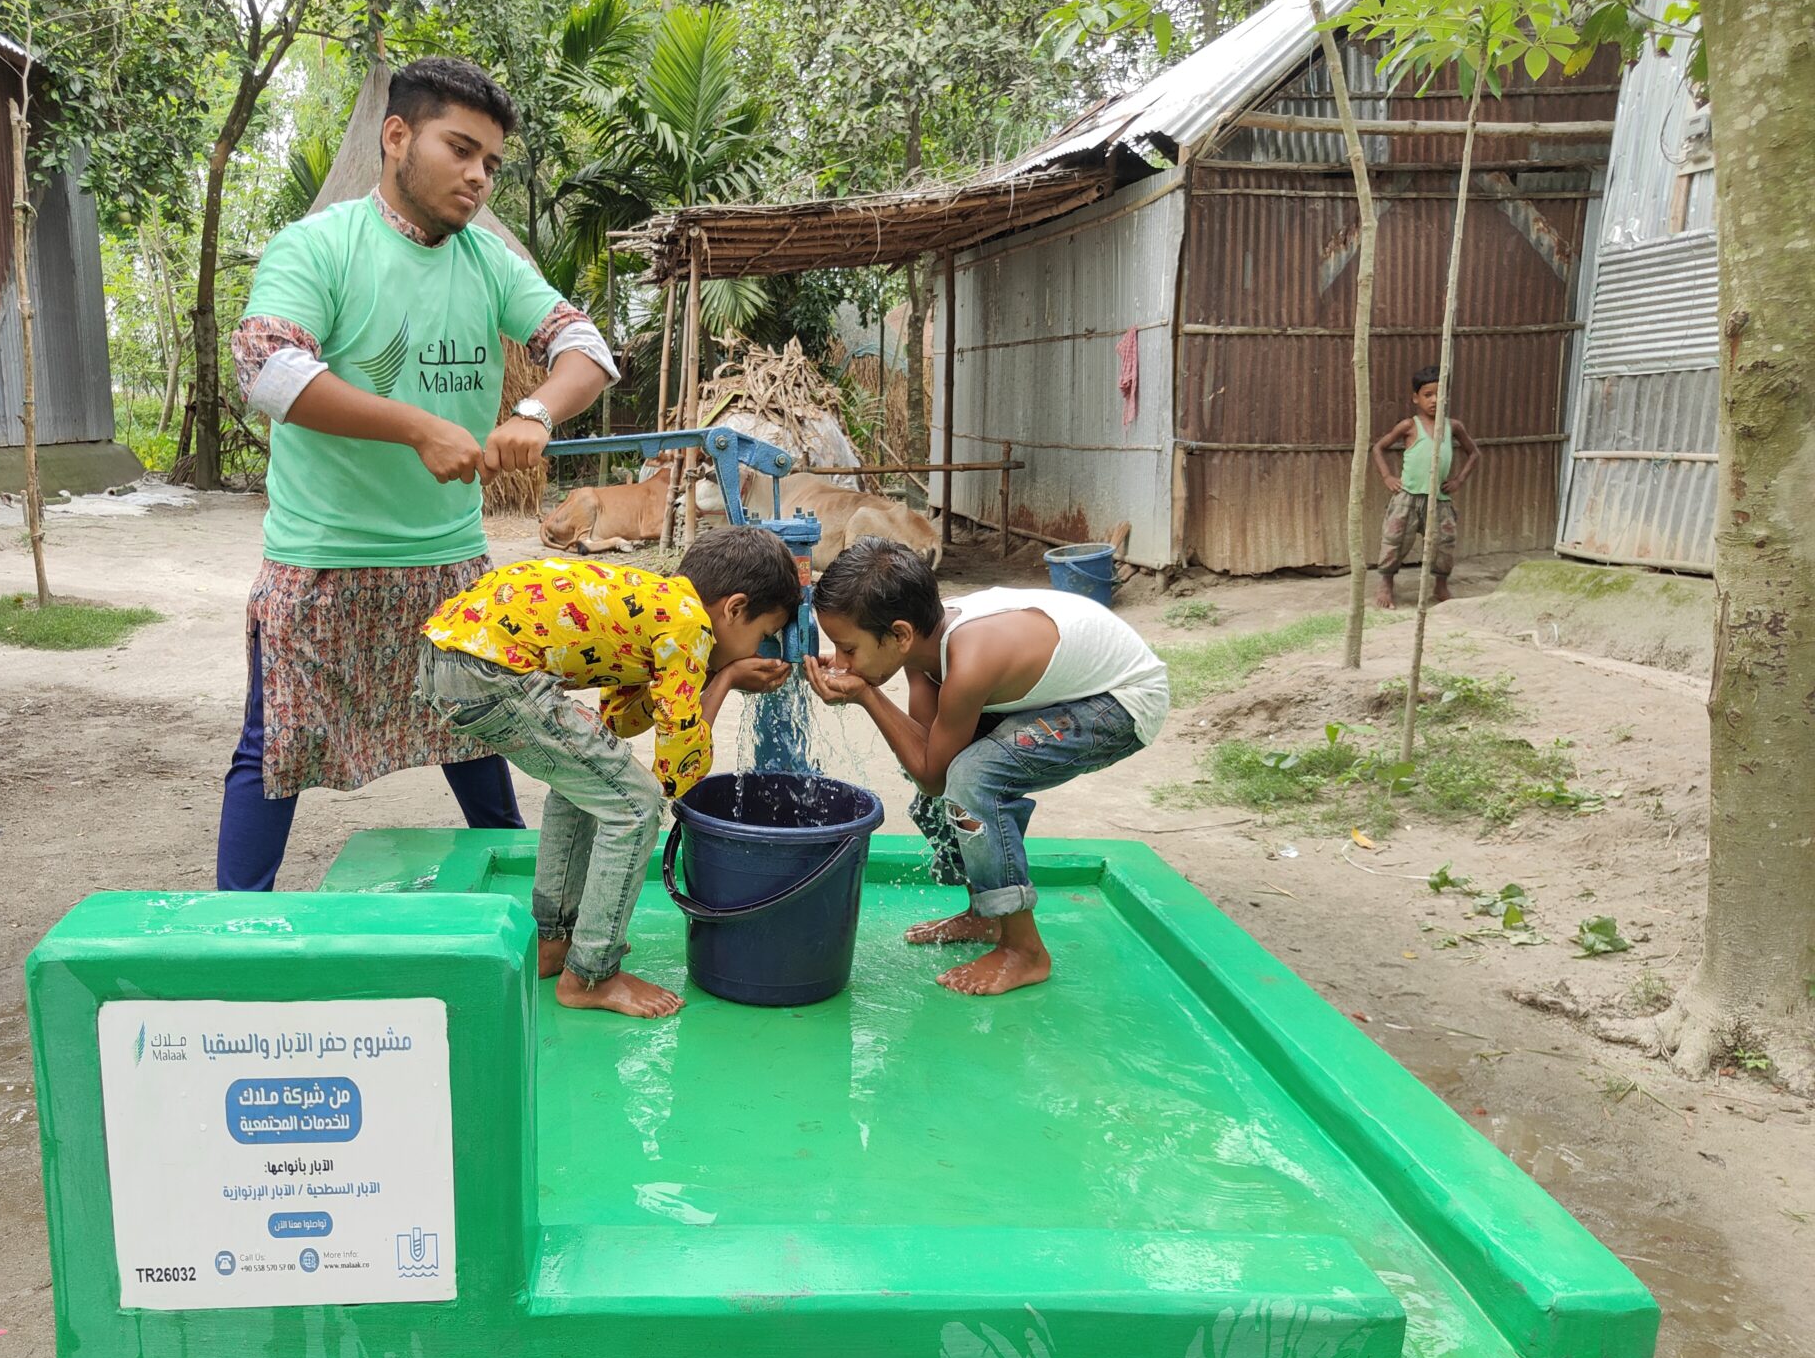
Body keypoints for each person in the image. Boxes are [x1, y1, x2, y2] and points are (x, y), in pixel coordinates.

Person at [219, 57, 621, 890]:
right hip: (321, 562)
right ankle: (234, 927)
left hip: (449, 563)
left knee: (483, 730)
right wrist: (416, 428)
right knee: (274, 746)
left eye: (491, 164)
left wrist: (535, 413)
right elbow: (266, 367)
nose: (477, 177)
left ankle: (522, 909)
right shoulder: (321, 246)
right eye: (461, 149)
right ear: (397, 136)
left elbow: (586, 348)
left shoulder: (486, 260)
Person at [419, 529, 801, 1018]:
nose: (761, 648)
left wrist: (708, 674)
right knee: (636, 807)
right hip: (488, 666)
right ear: (733, 608)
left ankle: (555, 943)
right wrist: (724, 677)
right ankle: (591, 975)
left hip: (455, 654)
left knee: (590, 786)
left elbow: (623, 718)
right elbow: (678, 760)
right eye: (763, 634)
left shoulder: (654, 602)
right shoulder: (689, 625)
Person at [805, 541, 1169, 997]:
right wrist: (865, 683)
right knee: (951, 775)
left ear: (898, 635)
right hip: (1066, 689)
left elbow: (940, 775)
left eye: (847, 648)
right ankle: (986, 915)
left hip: (1121, 701)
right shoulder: (923, 648)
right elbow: (927, 758)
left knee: (973, 779)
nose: (839, 662)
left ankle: (1025, 951)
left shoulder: (970, 659)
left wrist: (867, 696)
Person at [1371, 364, 1481, 609]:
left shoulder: (1453, 426)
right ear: (1415, 398)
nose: (1433, 400)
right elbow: (1378, 448)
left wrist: (1458, 480)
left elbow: (1474, 453)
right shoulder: (1408, 426)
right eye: (1427, 395)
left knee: (1444, 543)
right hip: (1407, 497)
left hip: (1439, 498)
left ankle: (1440, 585)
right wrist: (1388, 477)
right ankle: (1386, 583)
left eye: (1439, 395)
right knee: (1395, 540)